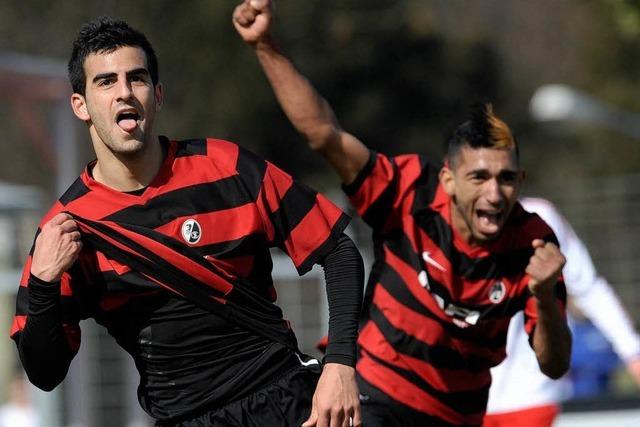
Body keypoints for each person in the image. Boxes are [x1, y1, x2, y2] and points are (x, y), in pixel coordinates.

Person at [10, 16, 365, 427]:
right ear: (80, 105)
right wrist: (44, 284)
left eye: (137, 78)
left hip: (285, 400)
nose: (124, 93)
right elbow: (44, 372)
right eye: (106, 82)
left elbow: (338, 249)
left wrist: (340, 365)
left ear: (157, 95)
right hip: (186, 417)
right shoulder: (67, 227)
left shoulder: (227, 166)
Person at [233, 1, 572, 426]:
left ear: (520, 180)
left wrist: (544, 296)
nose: (494, 192)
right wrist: (265, 44)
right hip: (373, 392)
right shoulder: (409, 190)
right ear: (449, 180)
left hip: (456, 416)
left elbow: (554, 364)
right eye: (479, 177)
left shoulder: (534, 245)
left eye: (506, 179)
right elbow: (324, 135)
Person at [484, 197, 640, 427]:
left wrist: (633, 353)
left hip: (531, 398)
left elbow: (589, 288)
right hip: (459, 398)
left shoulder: (539, 218)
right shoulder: (435, 226)